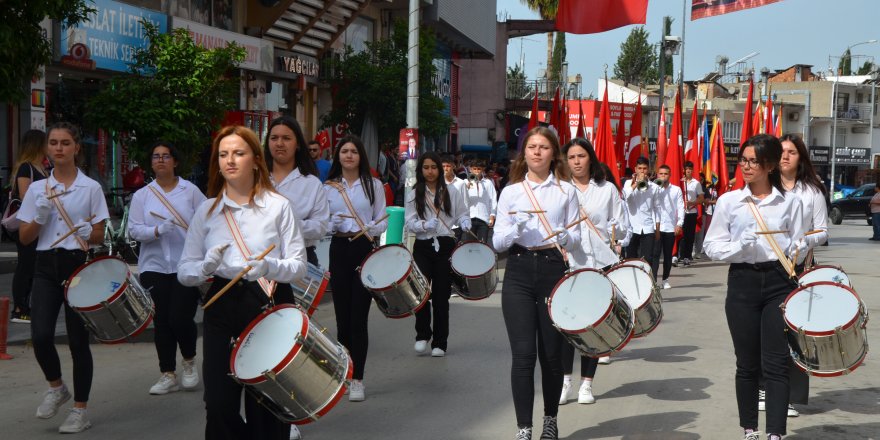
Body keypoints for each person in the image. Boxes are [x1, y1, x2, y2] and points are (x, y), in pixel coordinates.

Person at [178, 125, 307, 440]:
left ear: (256, 160)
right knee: (219, 403)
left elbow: (299, 267)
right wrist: (204, 267)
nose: (230, 160)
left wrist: (268, 265)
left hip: (270, 303)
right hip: (222, 304)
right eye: (223, 154)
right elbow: (184, 270)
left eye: (238, 152)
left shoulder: (278, 206)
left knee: (267, 404)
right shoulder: (206, 211)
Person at [703, 134, 807, 440]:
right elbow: (711, 246)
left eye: (754, 162)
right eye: (743, 160)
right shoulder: (729, 201)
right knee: (746, 362)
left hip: (778, 282)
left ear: (771, 165)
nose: (746, 167)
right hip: (742, 282)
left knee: (776, 362)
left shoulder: (791, 202)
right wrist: (738, 247)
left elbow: (798, 245)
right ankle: (749, 429)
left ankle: (775, 433)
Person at [16, 122, 110, 433]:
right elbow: (26, 238)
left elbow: (99, 234)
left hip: (78, 267)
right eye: (53, 143)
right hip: (45, 265)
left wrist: (89, 232)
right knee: (40, 335)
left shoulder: (91, 188)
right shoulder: (37, 189)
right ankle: (57, 386)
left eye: (65, 143)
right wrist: (39, 217)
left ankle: (80, 409)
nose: (58, 148)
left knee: (78, 341)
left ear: (75, 147)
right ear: (47, 149)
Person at [493, 126, 581, 440]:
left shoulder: (566, 190)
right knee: (523, 354)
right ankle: (523, 428)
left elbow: (577, 239)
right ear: (524, 152)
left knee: (551, 354)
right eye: (532, 147)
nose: (537, 152)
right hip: (517, 269)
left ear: (553, 153)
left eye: (544, 147)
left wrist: (566, 236)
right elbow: (499, 242)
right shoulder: (510, 191)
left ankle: (550, 420)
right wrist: (515, 227)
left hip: (551, 269)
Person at [127, 141, 207, 396]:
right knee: (161, 321)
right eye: (156, 156)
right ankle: (167, 373)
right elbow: (134, 230)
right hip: (155, 265)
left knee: (180, 317)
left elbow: (208, 221)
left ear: (175, 161)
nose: (160, 160)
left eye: (166, 156)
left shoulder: (191, 191)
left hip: (186, 264)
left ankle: (190, 361)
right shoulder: (142, 195)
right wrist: (157, 230)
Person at [764, 133, 830, 418]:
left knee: (793, 333)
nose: (785, 156)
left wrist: (805, 240)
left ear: (801, 157)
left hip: (796, 270)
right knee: (764, 333)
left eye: (792, 152)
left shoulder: (812, 191)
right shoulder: (765, 188)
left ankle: (789, 396)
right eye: (781, 152)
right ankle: (763, 389)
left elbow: (823, 230)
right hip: (765, 266)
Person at [559, 138, 626, 406]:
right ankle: (565, 382)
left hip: (600, 262)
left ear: (591, 158)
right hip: (568, 264)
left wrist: (617, 231)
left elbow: (622, 225)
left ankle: (587, 384)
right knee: (566, 326)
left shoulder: (607, 189)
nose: (576, 161)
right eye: (571, 157)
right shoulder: (560, 190)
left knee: (593, 327)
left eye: (581, 156)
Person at [324, 135, 387, 402]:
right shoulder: (327, 187)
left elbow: (382, 220)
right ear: (338, 156)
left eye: (354, 152)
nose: (349, 155)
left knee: (358, 318)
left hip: (364, 250)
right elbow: (321, 223)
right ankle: (345, 374)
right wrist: (332, 223)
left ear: (361, 156)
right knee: (342, 319)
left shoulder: (373, 185)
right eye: (344, 151)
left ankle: (358, 378)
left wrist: (374, 227)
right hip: (339, 250)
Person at [405, 152, 470, 357]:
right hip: (423, 246)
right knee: (421, 292)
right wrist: (424, 225)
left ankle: (440, 342)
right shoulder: (414, 193)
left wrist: (465, 221)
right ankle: (422, 334)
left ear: (440, 170)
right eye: (426, 167)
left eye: (434, 167)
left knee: (441, 296)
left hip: (445, 244)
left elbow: (462, 213)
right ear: (420, 170)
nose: (430, 171)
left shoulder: (451, 191)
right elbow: (409, 223)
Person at [267, 117, 330, 267]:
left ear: (298, 145)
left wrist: (288, 225)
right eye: (274, 138)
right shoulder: (255, 178)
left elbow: (320, 227)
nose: (279, 143)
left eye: (286, 138)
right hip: (259, 259)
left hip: (300, 259)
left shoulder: (312, 184)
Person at [9, 129, 48, 323]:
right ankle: (19, 307)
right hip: (26, 223)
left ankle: (27, 305)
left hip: (38, 223)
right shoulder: (26, 168)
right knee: (26, 264)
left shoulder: (41, 167)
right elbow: (25, 196)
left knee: (33, 264)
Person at [651, 165, 685, 290]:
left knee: (667, 255)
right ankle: (653, 280)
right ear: (657, 174)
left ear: (669, 175)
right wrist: (655, 187)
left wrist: (679, 223)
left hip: (670, 227)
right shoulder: (653, 188)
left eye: (665, 174)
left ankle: (665, 279)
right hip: (656, 226)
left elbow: (680, 207)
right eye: (661, 174)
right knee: (654, 255)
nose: (663, 176)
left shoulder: (676, 190)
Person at [622, 157, 660, 263]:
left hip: (648, 227)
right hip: (632, 227)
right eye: (640, 168)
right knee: (630, 258)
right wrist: (636, 184)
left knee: (647, 259)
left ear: (648, 170)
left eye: (644, 168)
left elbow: (657, 209)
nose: (642, 171)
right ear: (635, 169)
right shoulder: (628, 183)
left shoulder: (654, 187)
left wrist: (657, 228)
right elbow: (625, 196)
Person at [462, 158, 497, 243]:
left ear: (482, 169)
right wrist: (465, 188)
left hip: (483, 217)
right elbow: (460, 199)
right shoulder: (465, 182)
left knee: (482, 243)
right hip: (469, 217)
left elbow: (493, 199)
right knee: (469, 244)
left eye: (479, 169)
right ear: (470, 169)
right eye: (474, 169)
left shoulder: (488, 183)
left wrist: (492, 215)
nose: (477, 171)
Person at [677, 162, 705, 266]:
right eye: (686, 169)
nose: (688, 171)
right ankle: (679, 255)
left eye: (690, 169)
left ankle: (687, 256)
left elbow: (701, 198)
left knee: (689, 235)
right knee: (681, 235)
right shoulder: (679, 181)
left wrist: (692, 203)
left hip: (691, 212)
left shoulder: (696, 183)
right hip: (681, 212)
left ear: (692, 170)